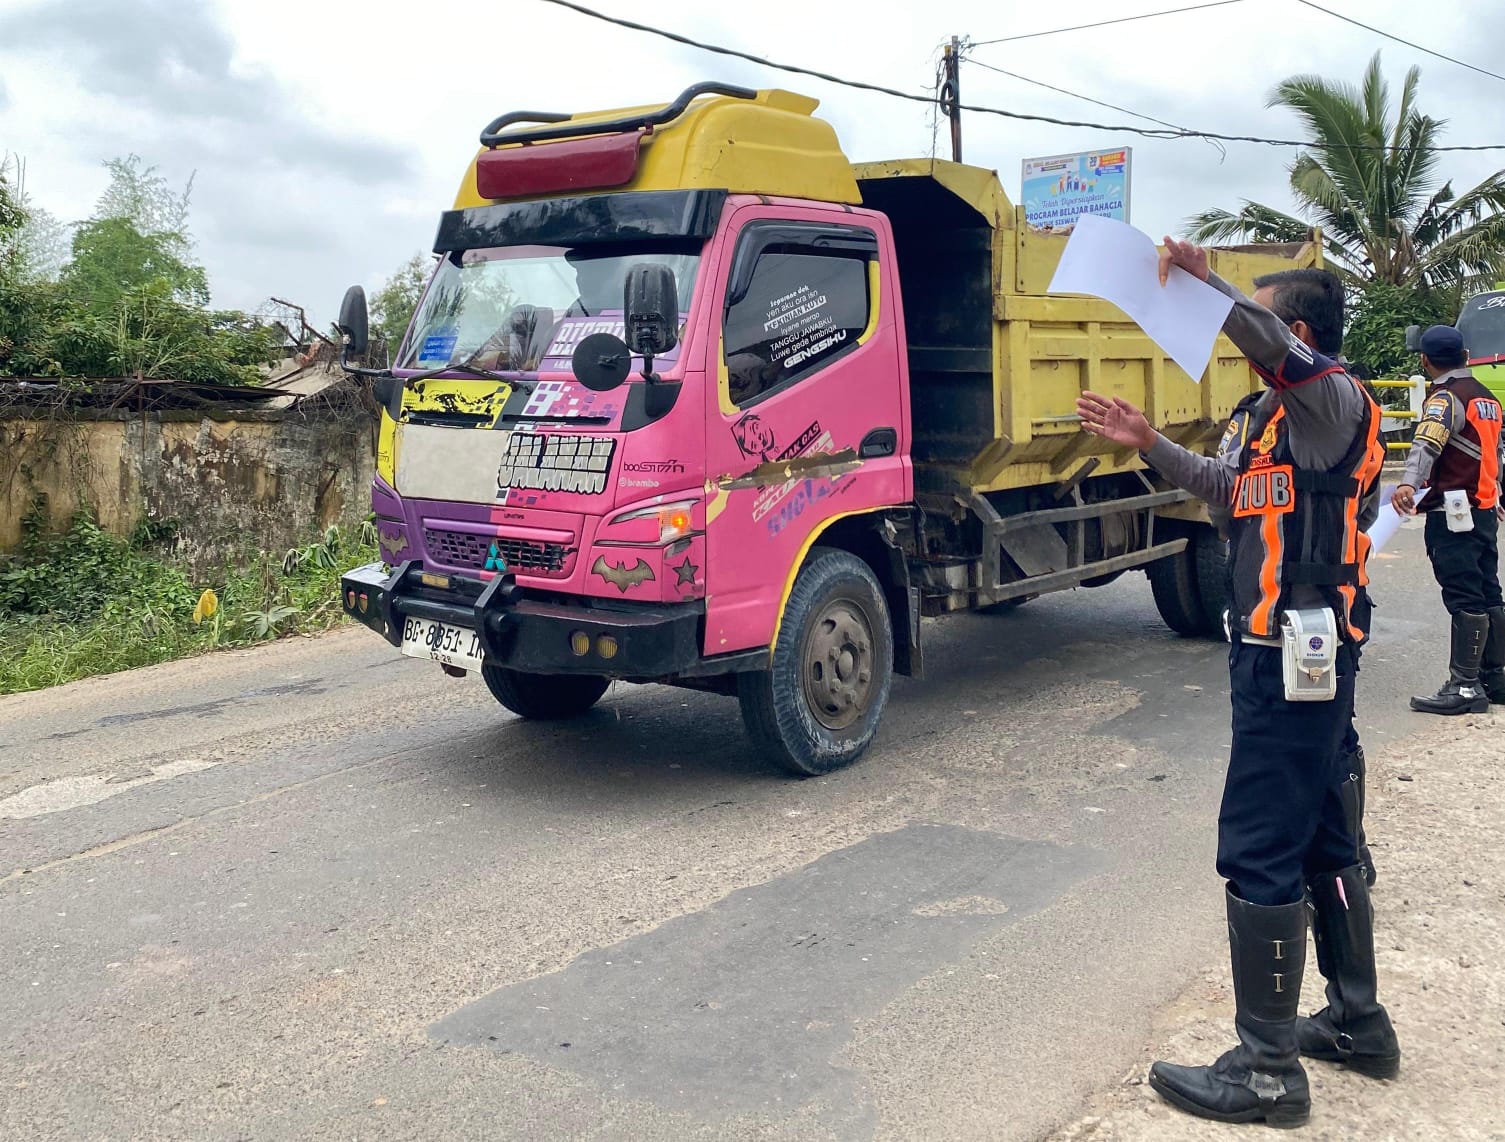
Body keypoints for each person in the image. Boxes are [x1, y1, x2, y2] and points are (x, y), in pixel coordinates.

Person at [1076, 241, 1398, 1128]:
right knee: (1325, 834)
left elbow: (1255, 334)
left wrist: (1208, 286)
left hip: (1289, 656)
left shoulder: (1330, 400)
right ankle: (1356, 1024)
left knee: (1259, 847)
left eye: (1254, 323)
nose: (1236, 339)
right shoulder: (1269, 420)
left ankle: (1266, 1072)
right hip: (1290, 653)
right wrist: (1149, 445)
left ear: (1292, 334)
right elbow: (1228, 493)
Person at [1392, 325, 1505, 714]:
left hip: (1453, 512)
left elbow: (1426, 443)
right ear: (1466, 354)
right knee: (1488, 590)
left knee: (1463, 594)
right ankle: (1496, 676)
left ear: (1425, 360)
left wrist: (1407, 485)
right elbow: (1494, 453)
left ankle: (1466, 686)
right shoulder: (1487, 399)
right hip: (1484, 509)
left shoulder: (1445, 399)